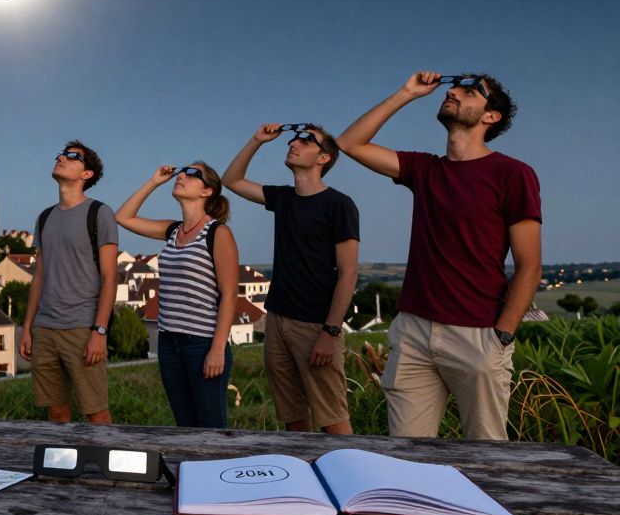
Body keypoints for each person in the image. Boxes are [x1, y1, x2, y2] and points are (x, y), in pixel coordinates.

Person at [338, 72, 541, 440]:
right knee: (408, 458)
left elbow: (529, 265)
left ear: (490, 116)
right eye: (454, 87)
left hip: (478, 334)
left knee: (487, 458)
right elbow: (350, 143)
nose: (452, 91)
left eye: (469, 91)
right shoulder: (425, 169)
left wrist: (503, 337)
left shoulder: (513, 174)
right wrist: (406, 93)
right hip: (414, 332)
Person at [222, 123, 360, 435]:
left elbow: (349, 273)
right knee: (293, 415)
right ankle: (303, 478)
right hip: (278, 320)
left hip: (316, 324)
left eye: (307, 139)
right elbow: (231, 180)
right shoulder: (283, 198)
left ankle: (349, 477)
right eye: (295, 137)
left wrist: (331, 331)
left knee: (332, 415)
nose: (295, 142)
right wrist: (257, 139)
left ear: (323, 158)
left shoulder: (339, 205)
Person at [116, 162, 238, 427]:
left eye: (193, 174)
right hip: (169, 343)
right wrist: (153, 182)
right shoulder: (172, 231)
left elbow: (229, 295)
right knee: (184, 427)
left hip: (202, 344)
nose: (182, 175)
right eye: (182, 171)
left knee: (211, 429)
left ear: (207, 191)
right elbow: (123, 217)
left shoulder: (218, 232)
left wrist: (217, 348)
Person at [20, 141, 119, 424]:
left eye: (73, 156)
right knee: (56, 411)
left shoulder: (99, 213)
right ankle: (63, 468)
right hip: (45, 328)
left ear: (86, 174)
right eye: (62, 154)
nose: (62, 157)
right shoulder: (45, 217)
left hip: (81, 327)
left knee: (96, 411)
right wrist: (27, 328)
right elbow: (39, 276)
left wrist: (99, 331)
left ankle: (108, 467)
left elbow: (110, 277)